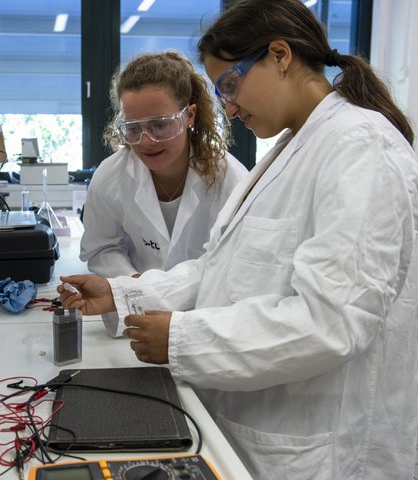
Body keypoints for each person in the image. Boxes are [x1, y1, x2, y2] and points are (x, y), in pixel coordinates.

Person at [59, 1, 418, 478]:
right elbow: (218, 266)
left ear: (280, 56)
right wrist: (123, 294)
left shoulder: (359, 147)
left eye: (230, 84)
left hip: (322, 443)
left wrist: (183, 338)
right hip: (257, 421)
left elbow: (331, 320)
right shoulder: (296, 145)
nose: (227, 105)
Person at [80, 51, 247, 278]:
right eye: (133, 128)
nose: (146, 141)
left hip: (206, 307)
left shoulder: (229, 177)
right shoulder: (110, 177)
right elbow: (101, 249)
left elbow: (236, 261)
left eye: (160, 125)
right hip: (136, 303)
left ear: (189, 115)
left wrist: (162, 294)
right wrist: (136, 284)